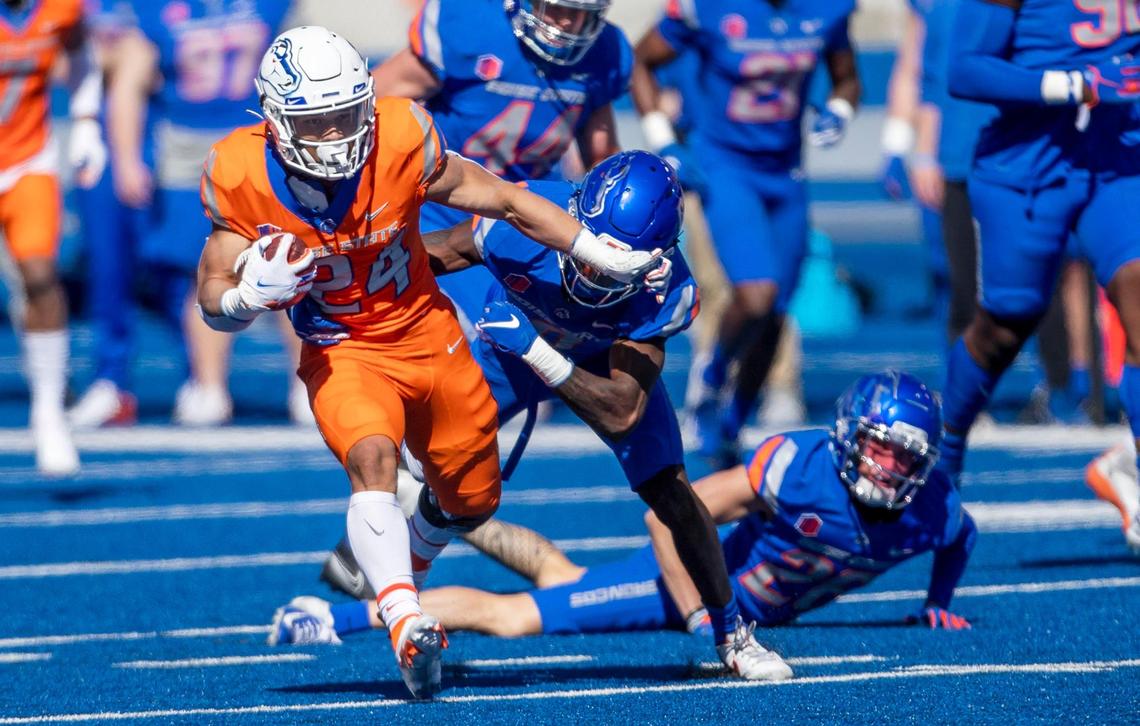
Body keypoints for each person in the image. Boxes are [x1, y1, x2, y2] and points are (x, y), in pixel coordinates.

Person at [194, 26, 664, 699]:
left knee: (470, 500)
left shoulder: (401, 137)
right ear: (274, 121)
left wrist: (593, 248)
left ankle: (404, 571)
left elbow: (502, 199)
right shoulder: (238, 173)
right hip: (340, 345)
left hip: (425, 331)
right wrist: (244, 297)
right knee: (372, 460)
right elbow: (210, 295)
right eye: (314, 122)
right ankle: (403, 615)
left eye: (343, 116)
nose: (333, 136)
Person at [306, 149, 792, 681]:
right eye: (588, 253)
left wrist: (536, 349)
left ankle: (732, 632)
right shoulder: (526, 221)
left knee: (672, 493)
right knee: (448, 469)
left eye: (613, 266)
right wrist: (341, 274)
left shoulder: (665, 291)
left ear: (653, 260)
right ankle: (409, 565)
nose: (590, 273)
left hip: (576, 356)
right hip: (510, 353)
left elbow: (622, 411)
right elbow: (437, 253)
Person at [270, 370, 975, 646]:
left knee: (555, 573)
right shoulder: (797, 469)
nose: (890, 467)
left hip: (736, 602)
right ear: (851, 438)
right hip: (687, 589)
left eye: (905, 458)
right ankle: (329, 615)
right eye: (881, 449)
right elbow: (670, 516)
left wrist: (939, 598)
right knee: (515, 618)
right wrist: (705, 612)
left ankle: (436, 509)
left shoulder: (933, 507)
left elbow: (960, 537)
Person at [631, 0, 861, 467]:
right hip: (726, 166)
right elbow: (641, 60)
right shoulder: (711, 8)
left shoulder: (826, 9)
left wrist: (839, 109)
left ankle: (732, 420)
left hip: (787, 172)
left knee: (775, 313)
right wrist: (664, 139)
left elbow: (847, 76)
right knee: (756, 293)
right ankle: (713, 373)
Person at [936, 1, 1140, 500]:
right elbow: (964, 69)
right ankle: (947, 451)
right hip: (1028, 162)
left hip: (1120, 154)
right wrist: (1071, 85)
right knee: (1006, 325)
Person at [72, 0, 297, 427]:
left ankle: (305, 382)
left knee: (289, 257)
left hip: (260, 138)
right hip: (188, 150)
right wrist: (124, 158)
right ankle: (209, 385)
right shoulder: (157, 10)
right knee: (202, 269)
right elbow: (128, 83)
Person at [372, 0, 629, 323]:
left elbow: (602, 157)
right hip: (444, 208)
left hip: (530, 217)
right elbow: (372, 100)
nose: (565, 23)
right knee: (483, 330)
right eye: (556, 8)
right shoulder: (471, 23)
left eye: (580, 13)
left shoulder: (605, 50)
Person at [0, 0, 107, 475]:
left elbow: (81, 52)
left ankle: (48, 409)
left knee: (41, 275)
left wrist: (86, 121)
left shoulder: (60, 9)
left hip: (28, 160)